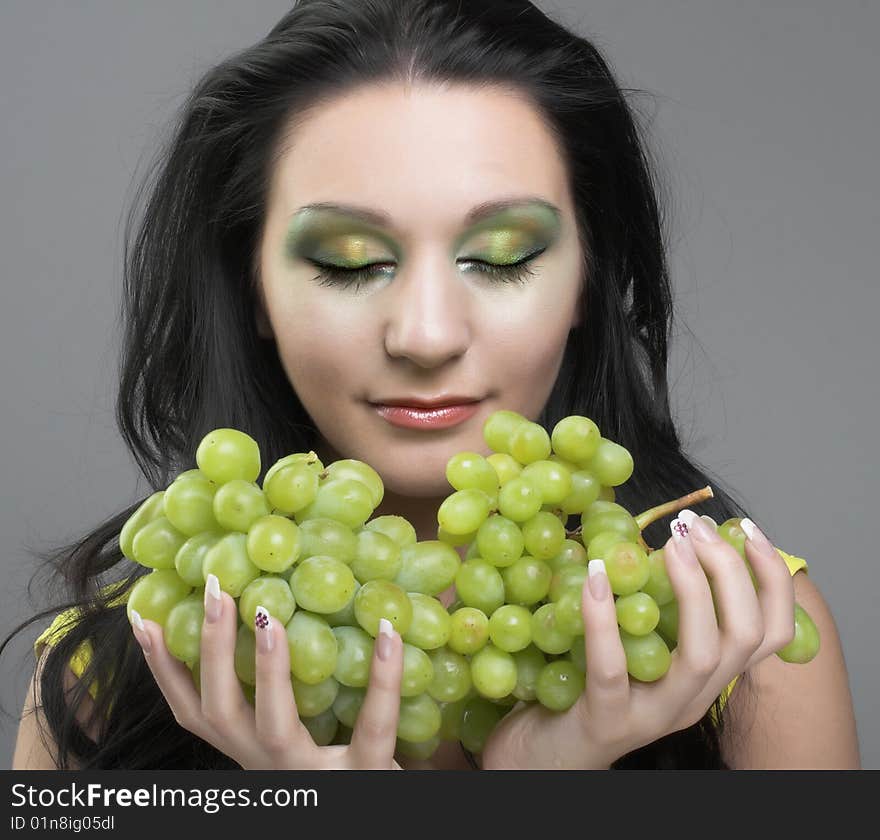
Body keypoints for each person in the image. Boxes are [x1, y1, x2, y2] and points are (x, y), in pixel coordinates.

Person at [6, 0, 859, 771]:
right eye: (350, 266)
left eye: (501, 259)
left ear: (589, 282)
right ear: (251, 288)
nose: (425, 335)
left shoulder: (743, 640)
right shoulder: (105, 675)